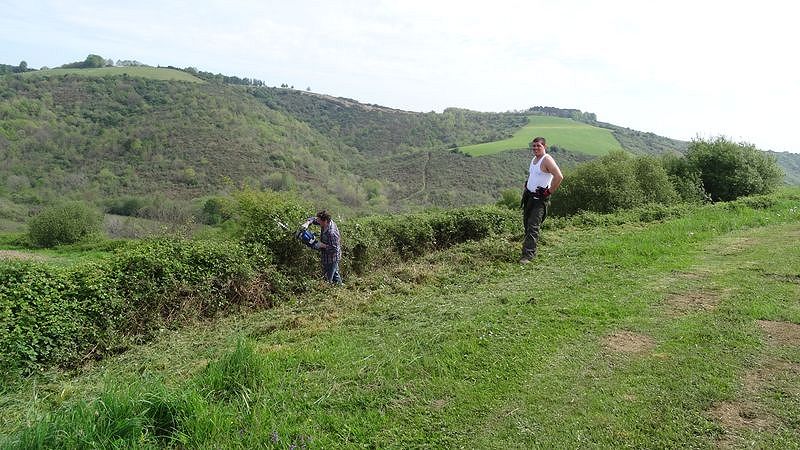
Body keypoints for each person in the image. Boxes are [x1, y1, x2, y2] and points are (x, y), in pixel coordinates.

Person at [520, 137, 563, 264]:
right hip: (529, 196)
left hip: (539, 198)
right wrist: (528, 183)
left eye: (538, 146)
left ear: (544, 146)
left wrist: (548, 191)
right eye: (534, 146)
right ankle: (528, 249)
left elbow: (559, 176)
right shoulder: (534, 159)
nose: (536, 148)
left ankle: (528, 256)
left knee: (533, 226)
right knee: (527, 224)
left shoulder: (547, 159)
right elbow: (533, 174)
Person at [303, 210, 343, 284]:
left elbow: (334, 249)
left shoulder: (332, 233)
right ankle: (341, 288)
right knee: (335, 275)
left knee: (327, 278)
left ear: (325, 221)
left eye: (319, 221)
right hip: (327, 255)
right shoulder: (325, 222)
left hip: (332, 258)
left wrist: (322, 245)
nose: (317, 222)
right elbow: (314, 219)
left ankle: (328, 291)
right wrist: (307, 223)